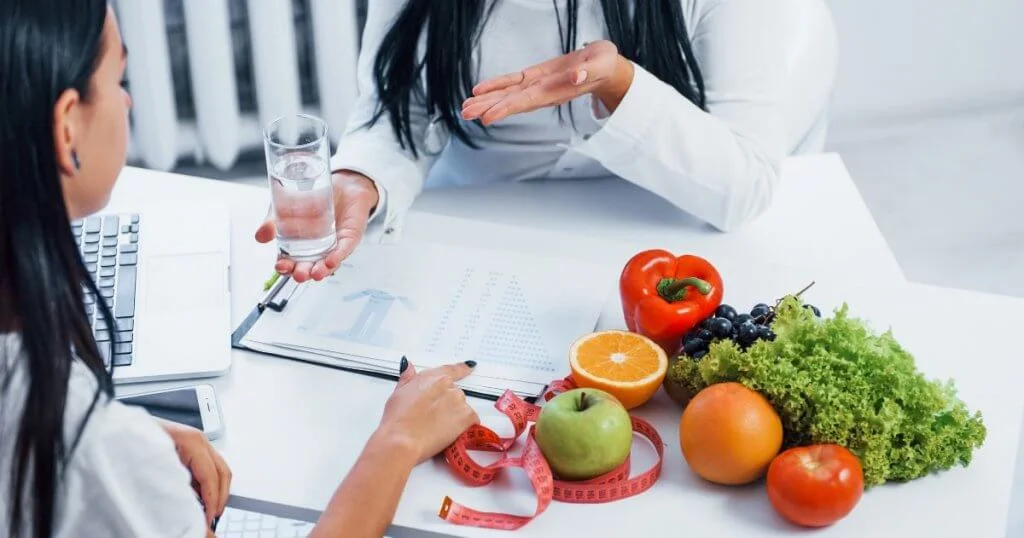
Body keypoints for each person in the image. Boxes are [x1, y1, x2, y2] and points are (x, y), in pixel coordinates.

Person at [0, 2, 480, 537]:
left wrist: (130, 439)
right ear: (67, 128)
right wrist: (397, 443)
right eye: (119, 78)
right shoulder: (95, 448)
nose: (129, 100)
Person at [257, 0, 837, 283]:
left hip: (664, 221)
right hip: (491, 218)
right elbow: (403, 105)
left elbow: (744, 186)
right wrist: (362, 177)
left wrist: (621, 87)